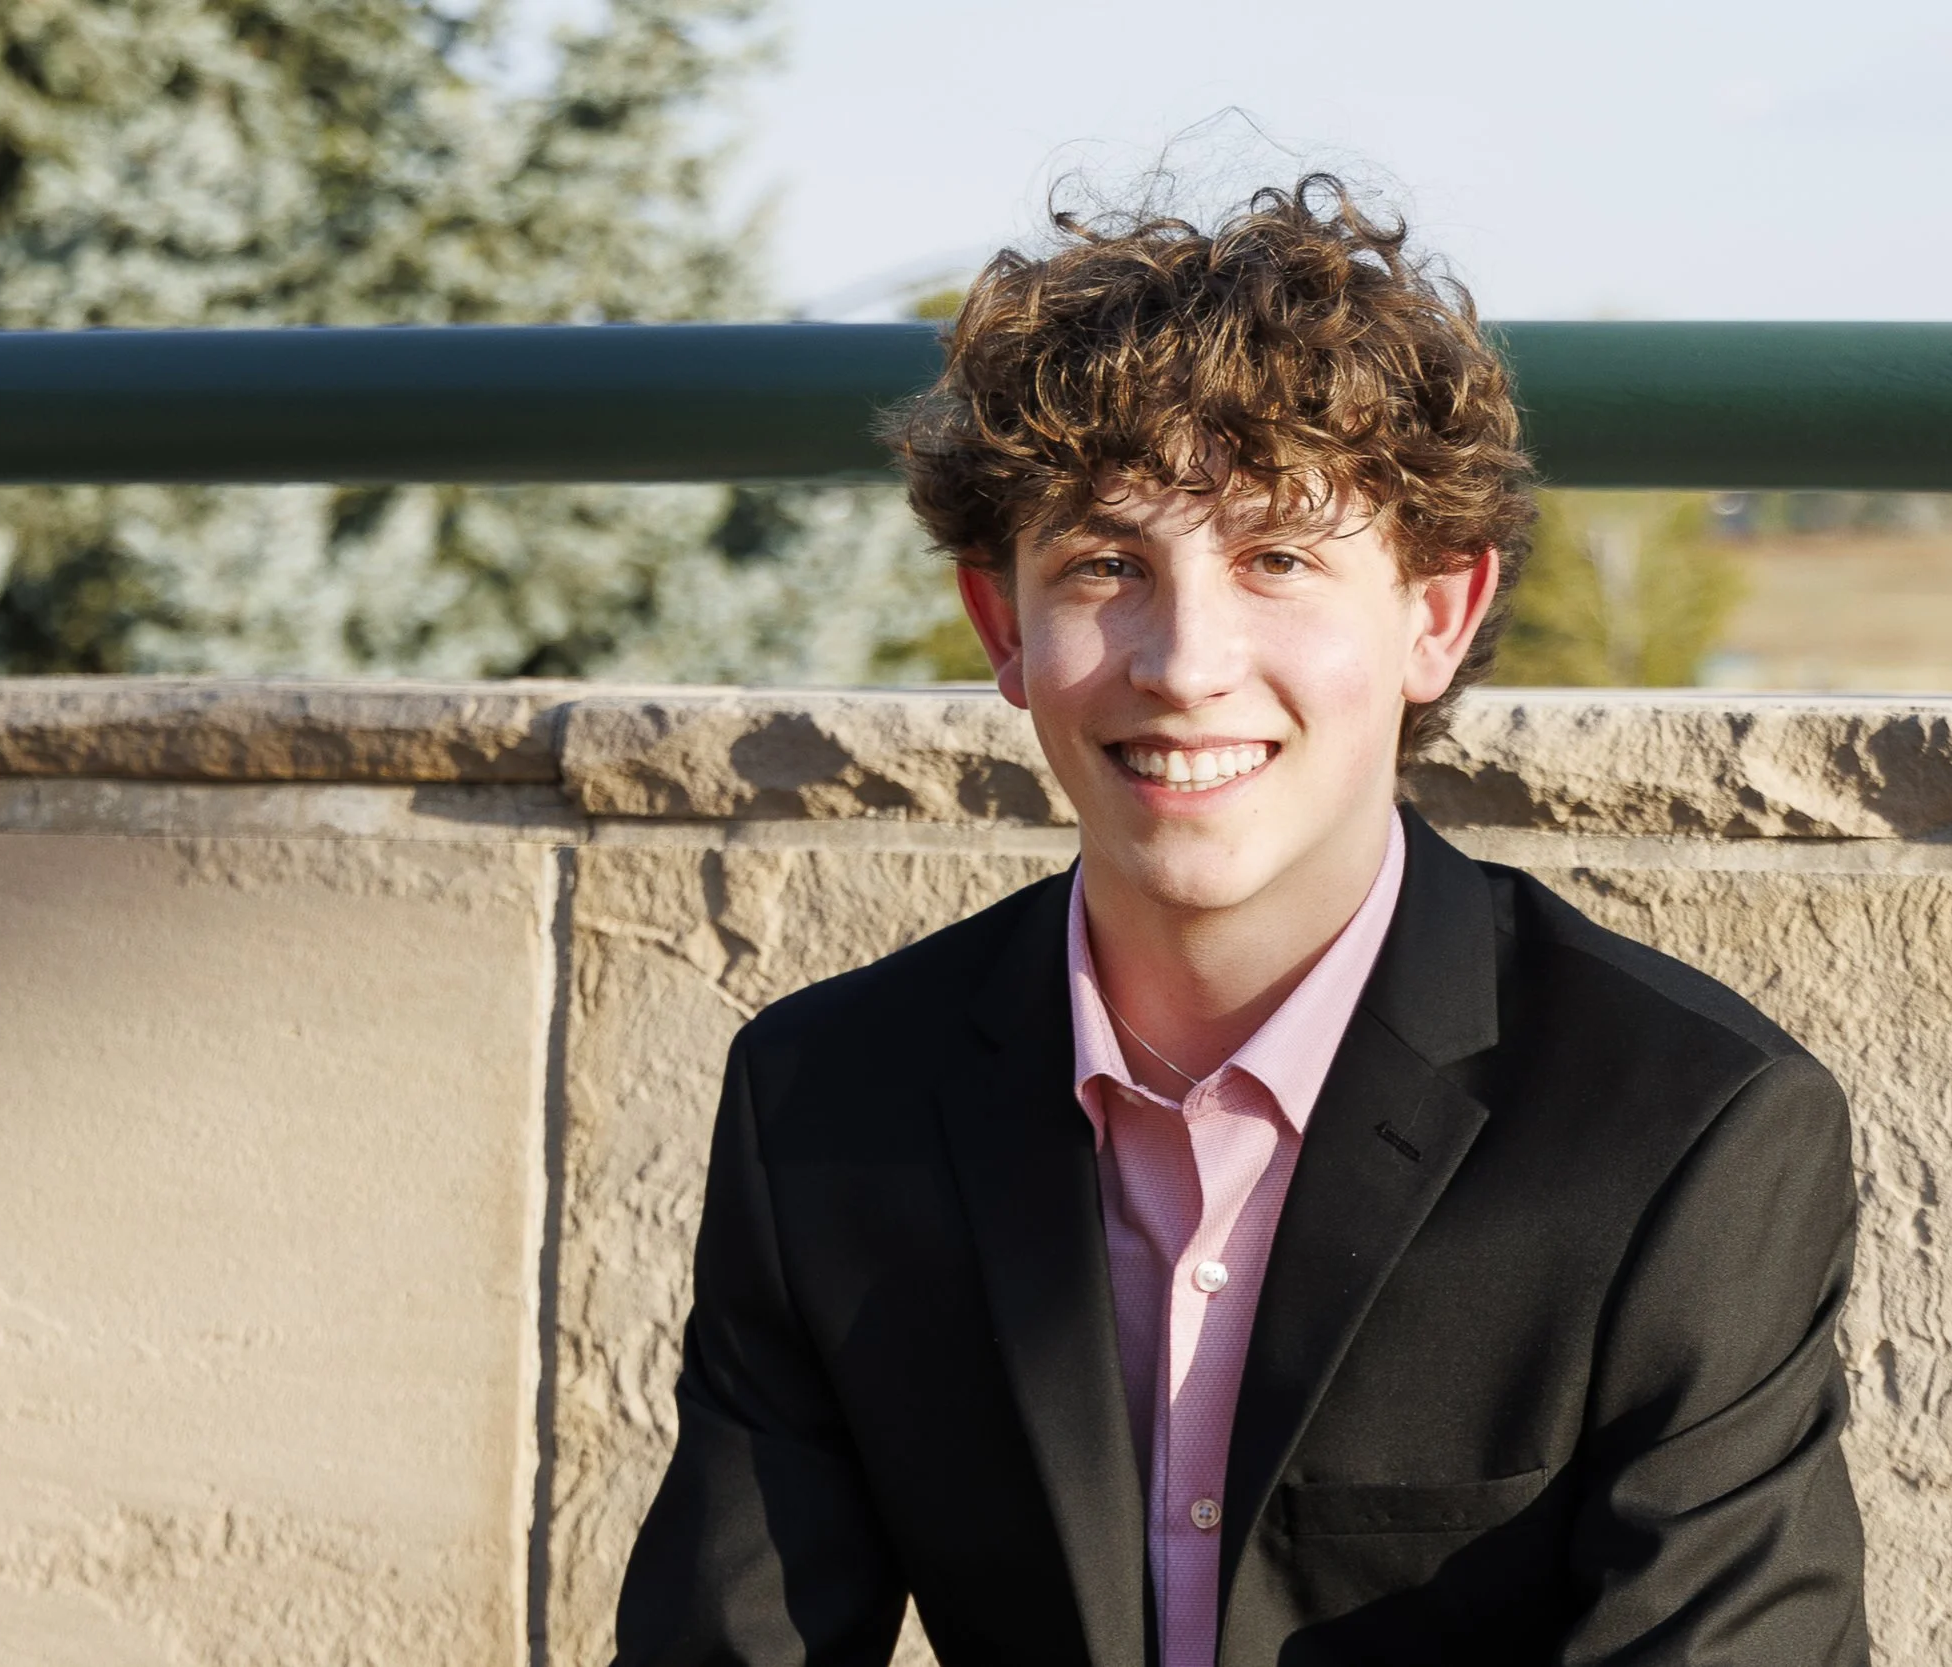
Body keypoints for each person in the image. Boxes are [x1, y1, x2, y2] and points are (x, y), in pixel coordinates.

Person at [613, 175, 1868, 1667]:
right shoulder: (824, 1102)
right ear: (1003, 626)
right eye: (1104, 566)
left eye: (1278, 556)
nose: (1187, 661)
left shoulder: (1690, 1131)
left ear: (1438, 614)